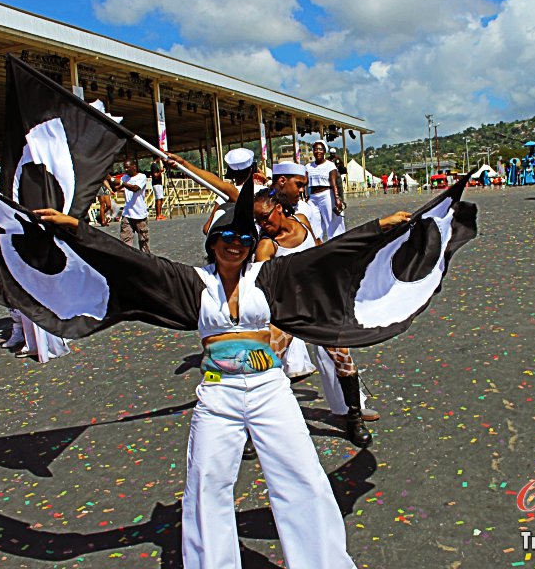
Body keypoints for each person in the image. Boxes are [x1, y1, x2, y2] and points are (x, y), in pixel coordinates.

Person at [34, 186, 361, 569]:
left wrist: (385, 229)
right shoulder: (193, 282)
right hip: (218, 396)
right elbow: (131, 263)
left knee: (302, 477)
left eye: (243, 238)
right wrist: (77, 229)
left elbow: (328, 258)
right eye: (226, 237)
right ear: (212, 242)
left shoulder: (266, 276)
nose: (235, 244)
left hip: (271, 391)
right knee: (207, 485)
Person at [253, 188, 396, 445]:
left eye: (265, 217)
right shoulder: (266, 246)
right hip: (287, 313)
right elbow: (262, 287)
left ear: (278, 208)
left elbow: (323, 252)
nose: (263, 224)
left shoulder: (302, 222)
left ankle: (354, 418)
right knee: (266, 366)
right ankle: (253, 428)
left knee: (343, 360)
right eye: (258, 221)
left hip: (318, 307)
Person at [202, 148, 258, 235]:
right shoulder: (263, 191)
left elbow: (207, 228)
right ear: (251, 169)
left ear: (230, 172)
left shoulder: (224, 196)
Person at [306, 140, 346, 240]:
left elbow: (334, 183)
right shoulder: (308, 167)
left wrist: (337, 198)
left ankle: (336, 243)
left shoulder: (330, 165)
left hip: (326, 195)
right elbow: (305, 183)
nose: (318, 151)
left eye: (320, 149)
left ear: (324, 151)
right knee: (314, 221)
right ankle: (317, 244)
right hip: (313, 197)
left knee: (331, 221)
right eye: (315, 149)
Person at [113, 159, 150, 253]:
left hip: (140, 215)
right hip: (127, 214)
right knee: (125, 242)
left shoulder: (141, 177)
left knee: (144, 242)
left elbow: (135, 188)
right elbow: (117, 188)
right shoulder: (125, 177)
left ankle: (147, 262)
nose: (125, 169)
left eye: (127, 167)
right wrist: (110, 180)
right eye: (124, 167)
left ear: (134, 167)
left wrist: (122, 183)